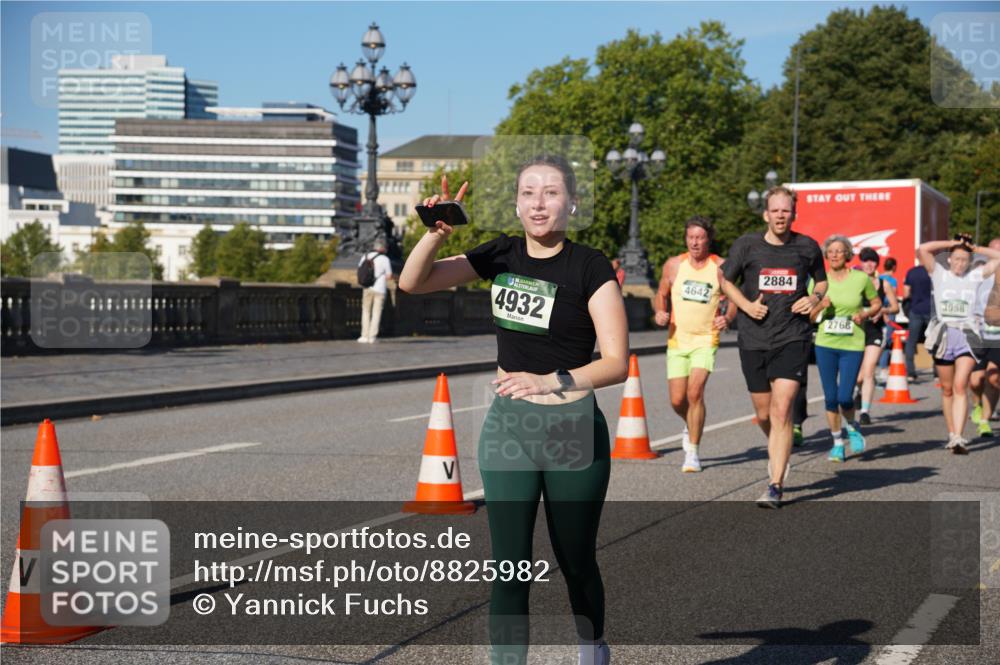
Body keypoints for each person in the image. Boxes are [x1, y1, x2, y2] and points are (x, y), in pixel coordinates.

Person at [398, 156, 627, 665]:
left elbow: (615, 363)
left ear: (572, 203)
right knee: (508, 565)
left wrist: (550, 381)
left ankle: (592, 647)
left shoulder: (589, 265)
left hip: (572, 428)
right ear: (517, 203)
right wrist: (436, 233)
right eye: (528, 193)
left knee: (575, 559)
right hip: (509, 426)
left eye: (550, 192)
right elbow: (413, 283)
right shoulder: (501, 253)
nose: (539, 202)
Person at [720, 186, 828, 509]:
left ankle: (775, 483)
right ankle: (777, 447)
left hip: (792, 337)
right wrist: (745, 307)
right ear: (766, 214)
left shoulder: (807, 247)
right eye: (775, 210)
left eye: (786, 211)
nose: (781, 216)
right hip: (753, 339)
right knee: (764, 413)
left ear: (793, 215)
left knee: (783, 410)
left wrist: (814, 298)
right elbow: (725, 280)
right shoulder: (746, 245)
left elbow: (821, 281)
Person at [653, 216, 735, 473]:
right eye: (691, 238)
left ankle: (693, 452)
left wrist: (728, 317)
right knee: (678, 400)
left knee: (695, 393)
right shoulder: (674, 265)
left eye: (700, 237)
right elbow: (661, 294)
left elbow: (734, 298)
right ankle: (690, 422)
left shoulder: (721, 266)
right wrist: (660, 312)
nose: (695, 242)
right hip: (678, 338)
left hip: (705, 338)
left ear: (708, 239)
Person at [918, 233, 1000, 453]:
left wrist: (974, 248)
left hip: (968, 336)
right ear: (949, 260)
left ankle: (959, 437)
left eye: (965, 259)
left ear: (969, 262)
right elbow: (923, 248)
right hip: (944, 335)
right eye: (957, 259)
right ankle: (951, 432)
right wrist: (952, 244)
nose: (960, 263)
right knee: (947, 389)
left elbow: (998, 257)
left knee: (960, 385)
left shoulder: (974, 277)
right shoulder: (939, 274)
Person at [808, 236, 882, 462]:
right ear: (826, 255)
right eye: (830, 251)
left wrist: (865, 314)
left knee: (845, 397)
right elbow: (810, 317)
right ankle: (837, 443)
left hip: (852, 344)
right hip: (825, 344)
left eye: (839, 251)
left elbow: (876, 303)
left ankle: (852, 427)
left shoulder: (861, 279)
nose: (835, 255)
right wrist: (820, 305)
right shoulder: (818, 282)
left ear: (847, 254)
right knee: (830, 398)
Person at [854, 248, 899, 425]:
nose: (869, 264)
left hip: (875, 331)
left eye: (872, 261)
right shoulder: (854, 281)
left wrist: (882, 310)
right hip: (856, 331)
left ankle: (865, 411)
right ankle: (857, 391)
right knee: (858, 376)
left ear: (877, 264)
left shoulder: (884, 284)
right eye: (866, 261)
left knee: (870, 370)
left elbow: (895, 307)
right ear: (861, 263)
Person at [969, 238, 1000, 437]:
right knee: (975, 380)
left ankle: (985, 421)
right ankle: (978, 404)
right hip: (978, 332)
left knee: (994, 377)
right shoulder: (978, 273)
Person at [357, 240, 394, 343]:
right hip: (380, 288)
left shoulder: (365, 256)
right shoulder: (385, 259)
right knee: (376, 312)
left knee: (365, 311)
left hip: (367, 287)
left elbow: (360, 270)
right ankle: (372, 337)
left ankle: (364, 336)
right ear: (382, 248)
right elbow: (389, 275)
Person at [903, 261, 934, 381]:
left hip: (915, 310)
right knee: (935, 342)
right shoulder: (935, 272)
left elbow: (906, 293)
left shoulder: (912, 272)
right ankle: (938, 372)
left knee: (911, 341)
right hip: (932, 310)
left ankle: (910, 372)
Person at [876, 257, 899, 382]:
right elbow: (893, 296)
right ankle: (883, 369)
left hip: (877, 308)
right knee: (886, 340)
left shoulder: (879, 277)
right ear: (894, 267)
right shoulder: (892, 281)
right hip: (888, 310)